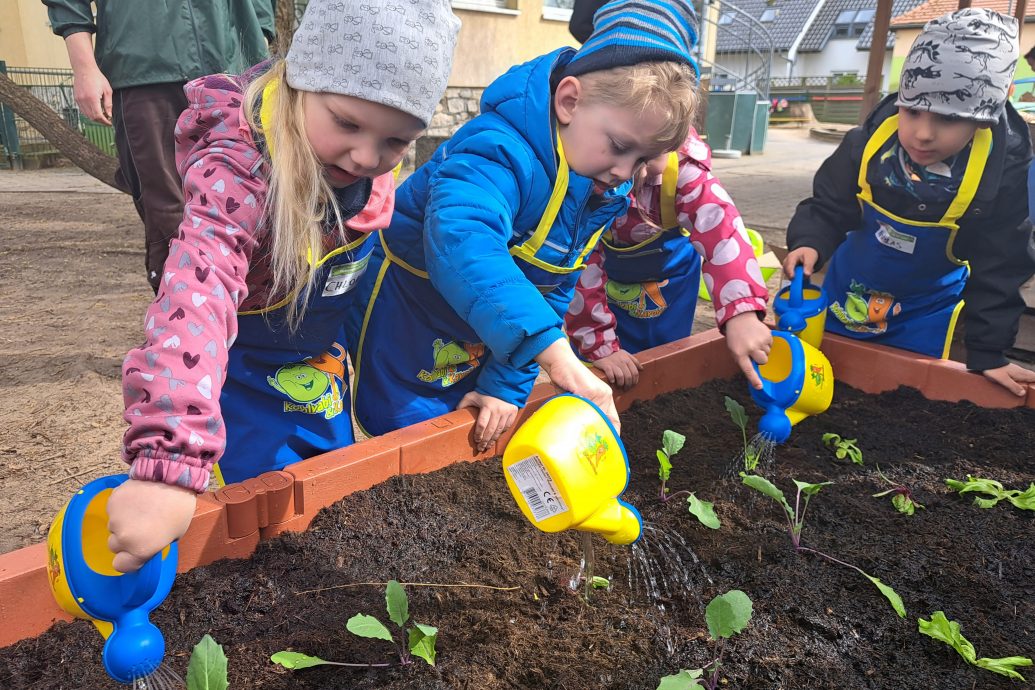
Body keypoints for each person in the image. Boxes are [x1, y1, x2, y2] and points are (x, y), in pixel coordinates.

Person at [104, 0, 462, 572]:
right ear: (299, 82)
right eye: (347, 124)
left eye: (396, 142)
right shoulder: (237, 175)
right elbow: (194, 302)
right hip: (243, 372)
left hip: (318, 366)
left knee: (332, 496)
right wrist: (166, 466)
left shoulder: (358, 160)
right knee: (264, 521)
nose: (368, 156)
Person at [345, 0, 700, 452]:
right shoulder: (496, 149)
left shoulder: (596, 190)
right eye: (618, 146)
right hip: (411, 305)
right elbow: (463, 243)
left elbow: (551, 292)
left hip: (492, 324)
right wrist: (559, 358)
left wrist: (505, 388)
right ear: (569, 100)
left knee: (468, 415)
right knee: (406, 426)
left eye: (641, 160)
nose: (624, 173)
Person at [785, 8, 1035, 397]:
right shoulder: (869, 143)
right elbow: (829, 205)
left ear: (983, 118)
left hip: (924, 312)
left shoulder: (1001, 173)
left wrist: (989, 352)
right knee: (829, 379)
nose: (922, 134)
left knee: (906, 396)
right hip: (848, 297)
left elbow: (1000, 263)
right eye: (913, 111)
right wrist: (809, 240)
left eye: (948, 120)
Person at [46, 0, 275, 294]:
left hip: (236, 68)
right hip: (143, 70)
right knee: (168, 218)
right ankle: (183, 326)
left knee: (253, 206)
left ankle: (250, 326)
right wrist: (83, 66)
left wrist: (260, 33)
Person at [566, 129, 772, 390]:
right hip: (604, 288)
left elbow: (722, 232)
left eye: (650, 153)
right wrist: (598, 345)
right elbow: (578, 265)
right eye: (622, 147)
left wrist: (741, 314)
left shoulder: (684, 173)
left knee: (666, 362)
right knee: (600, 372)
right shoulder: (588, 176)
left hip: (671, 285)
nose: (629, 168)